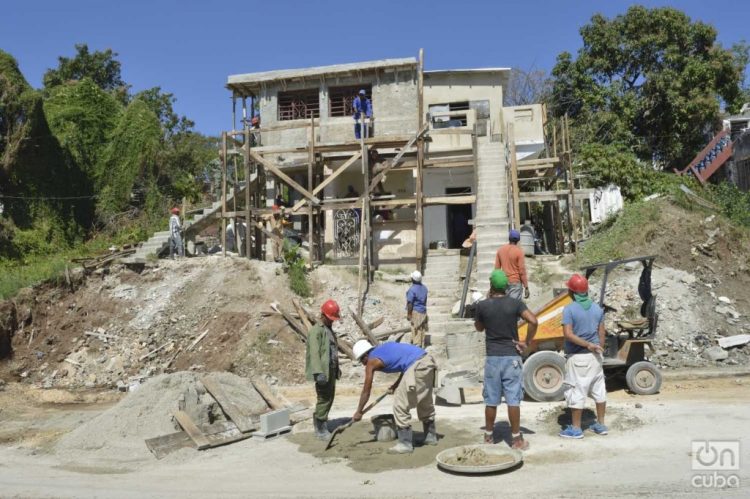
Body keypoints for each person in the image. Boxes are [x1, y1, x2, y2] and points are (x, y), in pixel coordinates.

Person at [475, 269, 538, 449]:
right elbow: (533, 321)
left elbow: (479, 328)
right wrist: (526, 341)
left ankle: (488, 436)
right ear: (507, 287)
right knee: (513, 400)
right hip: (511, 356)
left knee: (491, 400)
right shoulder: (516, 304)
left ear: (491, 285)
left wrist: (486, 303)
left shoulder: (483, 306)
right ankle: (517, 440)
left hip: (493, 358)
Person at [352, 339, 437, 454]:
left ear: (365, 355)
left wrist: (359, 411)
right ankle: (430, 436)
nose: (363, 364)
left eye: (362, 360)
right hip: (428, 362)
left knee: (399, 405)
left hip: (416, 367)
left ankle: (405, 443)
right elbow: (406, 363)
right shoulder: (383, 349)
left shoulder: (371, 361)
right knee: (424, 401)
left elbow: (366, 390)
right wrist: (396, 385)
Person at [559, 274, 608, 439]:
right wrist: (597, 347)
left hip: (578, 357)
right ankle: (600, 425)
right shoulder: (597, 309)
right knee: (599, 390)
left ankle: (576, 429)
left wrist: (587, 345)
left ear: (572, 292)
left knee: (577, 391)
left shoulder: (569, 309)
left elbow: (568, 334)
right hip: (595, 357)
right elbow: (602, 332)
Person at [305, 299, 342, 440]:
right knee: (324, 398)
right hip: (323, 371)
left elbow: (332, 351)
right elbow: (314, 353)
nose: (333, 321)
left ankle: (323, 422)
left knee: (330, 397)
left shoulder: (329, 330)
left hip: (331, 369)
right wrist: (318, 372)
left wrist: (337, 367)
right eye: (331, 318)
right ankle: (320, 429)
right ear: (324, 315)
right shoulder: (316, 331)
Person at [494, 229, 529, 301]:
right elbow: (522, 271)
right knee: (514, 307)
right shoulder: (519, 252)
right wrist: (526, 287)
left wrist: (495, 284)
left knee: (505, 306)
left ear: (509, 238)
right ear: (518, 240)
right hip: (515, 283)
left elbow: (497, 270)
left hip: (504, 283)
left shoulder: (500, 250)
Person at [406, 270, 429, 348]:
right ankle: (422, 344)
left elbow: (410, 303)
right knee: (422, 328)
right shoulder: (424, 288)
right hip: (423, 311)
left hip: (416, 311)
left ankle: (417, 345)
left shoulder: (412, 290)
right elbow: (425, 301)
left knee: (416, 329)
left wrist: (409, 314)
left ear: (413, 279)